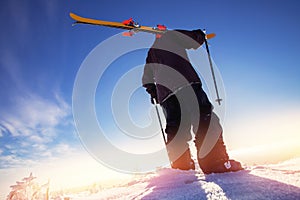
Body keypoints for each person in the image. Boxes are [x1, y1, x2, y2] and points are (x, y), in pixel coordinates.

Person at [142, 29, 243, 173]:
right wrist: (200, 35)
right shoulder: (171, 35)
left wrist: (156, 94)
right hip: (186, 84)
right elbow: (192, 39)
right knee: (204, 120)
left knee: (176, 130)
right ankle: (215, 163)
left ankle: (181, 168)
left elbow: (146, 80)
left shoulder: (150, 54)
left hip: (166, 96)